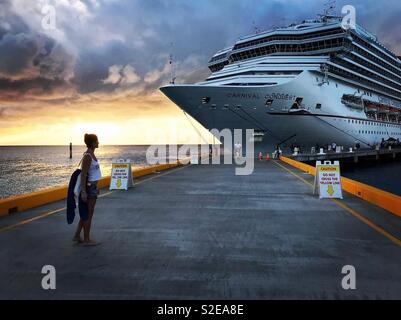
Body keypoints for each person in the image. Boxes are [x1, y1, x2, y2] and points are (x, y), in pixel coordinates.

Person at [73, 134, 102, 246]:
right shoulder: (88, 156)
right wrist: (84, 191)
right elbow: (83, 175)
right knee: (89, 214)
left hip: (92, 187)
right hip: (89, 189)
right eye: (97, 141)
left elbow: (93, 173)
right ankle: (86, 239)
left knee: (86, 213)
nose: (98, 142)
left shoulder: (91, 154)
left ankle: (77, 235)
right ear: (93, 143)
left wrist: (96, 186)